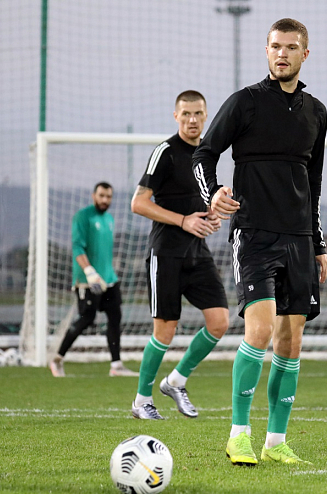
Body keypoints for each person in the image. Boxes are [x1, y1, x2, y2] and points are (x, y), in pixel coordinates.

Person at [192, 18, 327, 465]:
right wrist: (212, 193)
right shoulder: (245, 103)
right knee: (260, 330)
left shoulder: (316, 112)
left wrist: (318, 243)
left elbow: (314, 182)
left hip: (300, 239)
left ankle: (276, 442)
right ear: (266, 51)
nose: (281, 54)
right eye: (275, 47)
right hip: (254, 235)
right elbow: (203, 154)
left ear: (304, 54)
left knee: (291, 342)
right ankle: (238, 435)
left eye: (290, 47)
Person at [130, 90, 230, 420]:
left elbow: (199, 200)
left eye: (198, 113)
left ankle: (176, 381)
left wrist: (211, 215)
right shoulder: (166, 152)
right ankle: (142, 401)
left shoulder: (206, 155)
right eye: (186, 114)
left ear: (206, 116)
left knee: (220, 322)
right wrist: (183, 220)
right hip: (166, 254)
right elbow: (138, 203)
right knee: (165, 331)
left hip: (197, 253)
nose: (192, 120)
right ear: (176, 116)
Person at [49, 182, 138, 378]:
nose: (105, 200)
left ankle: (116, 365)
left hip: (109, 279)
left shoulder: (109, 219)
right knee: (86, 319)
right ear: (93, 196)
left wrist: (107, 273)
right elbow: (77, 247)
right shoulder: (83, 217)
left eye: (108, 196)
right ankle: (57, 358)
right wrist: (89, 272)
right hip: (88, 280)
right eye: (101, 196)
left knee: (115, 318)